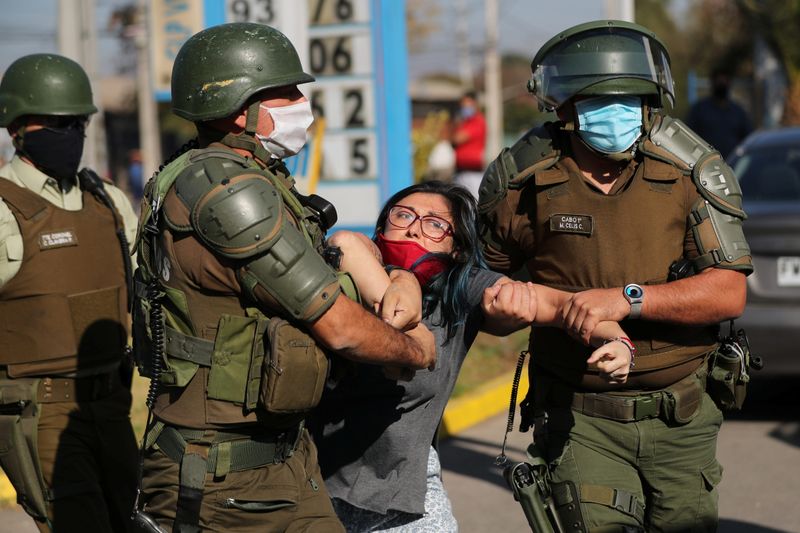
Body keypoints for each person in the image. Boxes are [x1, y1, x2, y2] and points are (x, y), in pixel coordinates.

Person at [131, 22, 436, 533]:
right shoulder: (228, 191)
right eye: (286, 92)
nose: (302, 102)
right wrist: (417, 351)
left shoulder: (240, 175)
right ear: (238, 107)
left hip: (279, 456)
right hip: (222, 476)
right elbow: (337, 324)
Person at [478, 20, 752, 532]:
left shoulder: (690, 171)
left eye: (632, 99)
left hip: (682, 417)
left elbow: (729, 290)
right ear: (564, 108)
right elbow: (484, 287)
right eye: (600, 100)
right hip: (577, 419)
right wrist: (504, 311)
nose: (619, 113)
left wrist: (626, 300)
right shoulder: (521, 180)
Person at [312, 180, 635, 532]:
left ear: (457, 249)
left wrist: (616, 340)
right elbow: (345, 242)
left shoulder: (461, 287)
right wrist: (399, 281)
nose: (414, 228)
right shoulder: (341, 274)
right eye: (403, 214)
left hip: (399, 495)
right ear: (382, 226)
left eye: (436, 224)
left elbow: (561, 306)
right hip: (313, 487)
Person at [0, 54, 140, 532]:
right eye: (58, 122)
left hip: (112, 401)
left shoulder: (107, 200)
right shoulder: (3, 208)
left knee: (132, 521)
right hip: (39, 408)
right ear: (17, 127)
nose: (72, 134)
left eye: (79, 122)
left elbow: (145, 283)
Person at [687, 67, 753, 159]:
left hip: (731, 163)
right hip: (705, 161)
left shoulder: (738, 112)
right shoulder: (699, 110)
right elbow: (689, 137)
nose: (721, 84)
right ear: (712, 83)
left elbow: (748, 139)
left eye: (724, 81)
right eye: (718, 81)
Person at [451, 91, 486, 198]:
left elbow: (457, 139)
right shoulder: (464, 122)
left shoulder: (477, 121)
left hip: (472, 171)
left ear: (475, 104)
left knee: (472, 203)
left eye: (467, 104)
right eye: (462, 105)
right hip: (461, 170)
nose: (464, 108)